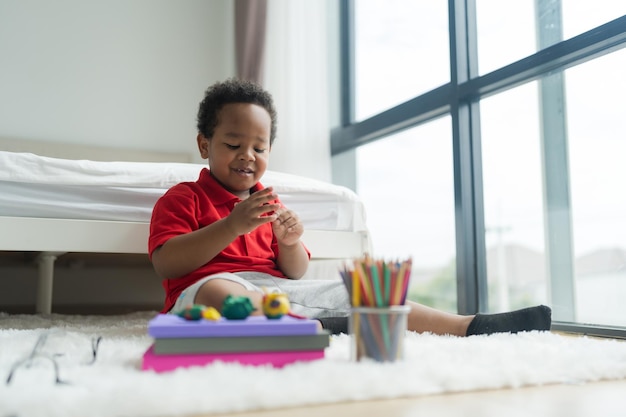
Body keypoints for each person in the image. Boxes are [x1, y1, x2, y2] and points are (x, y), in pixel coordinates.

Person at [148, 78, 552, 336]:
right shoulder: (184, 198)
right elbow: (168, 264)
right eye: (233, 145)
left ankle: (468, 326)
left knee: (360, 290)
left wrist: (289, 242)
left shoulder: (267, 202)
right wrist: (232, 226)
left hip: (281, 291)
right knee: (223, 292)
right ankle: (320, 325)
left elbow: (295, 271)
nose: (247, 156)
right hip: (204, 293)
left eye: (260, 147)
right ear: (205, 145)